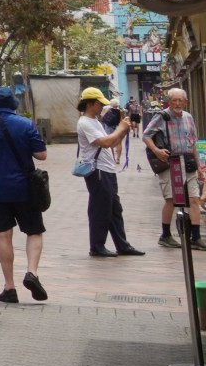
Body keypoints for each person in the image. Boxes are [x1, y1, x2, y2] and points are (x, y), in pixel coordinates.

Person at [0, 86, 50, 304]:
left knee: (3, 236)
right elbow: (42, 154)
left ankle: (9, 287)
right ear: (13, 104)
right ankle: (31, 272)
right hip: (25, 189)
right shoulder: (25, 124)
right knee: (34, 231)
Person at [77, 89, 144, 257]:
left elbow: (112, 141)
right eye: (100, 104)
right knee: (101, 209)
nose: (102, 107)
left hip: (107, 169)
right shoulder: (85, 122)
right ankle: (97, 246)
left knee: (114, 208)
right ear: (91, 103)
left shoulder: (95, 121)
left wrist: (122, 130)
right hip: (98, 170)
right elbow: (105, 142)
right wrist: (121, 128)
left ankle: (122, 244)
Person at [144, 88, 203, 249]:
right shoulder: (162, 116)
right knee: (171, 200)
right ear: (169, 102)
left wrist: (199, 167)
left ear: (186, 102)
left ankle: (196, 237)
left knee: (194, 199)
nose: (177, 103)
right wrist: (157, 150)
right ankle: (165, 235)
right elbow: (146, 135)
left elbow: (193, 144)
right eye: (174, 100)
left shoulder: (189, 117)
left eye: (180, 100)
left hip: (188, 161)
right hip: (171, 162)